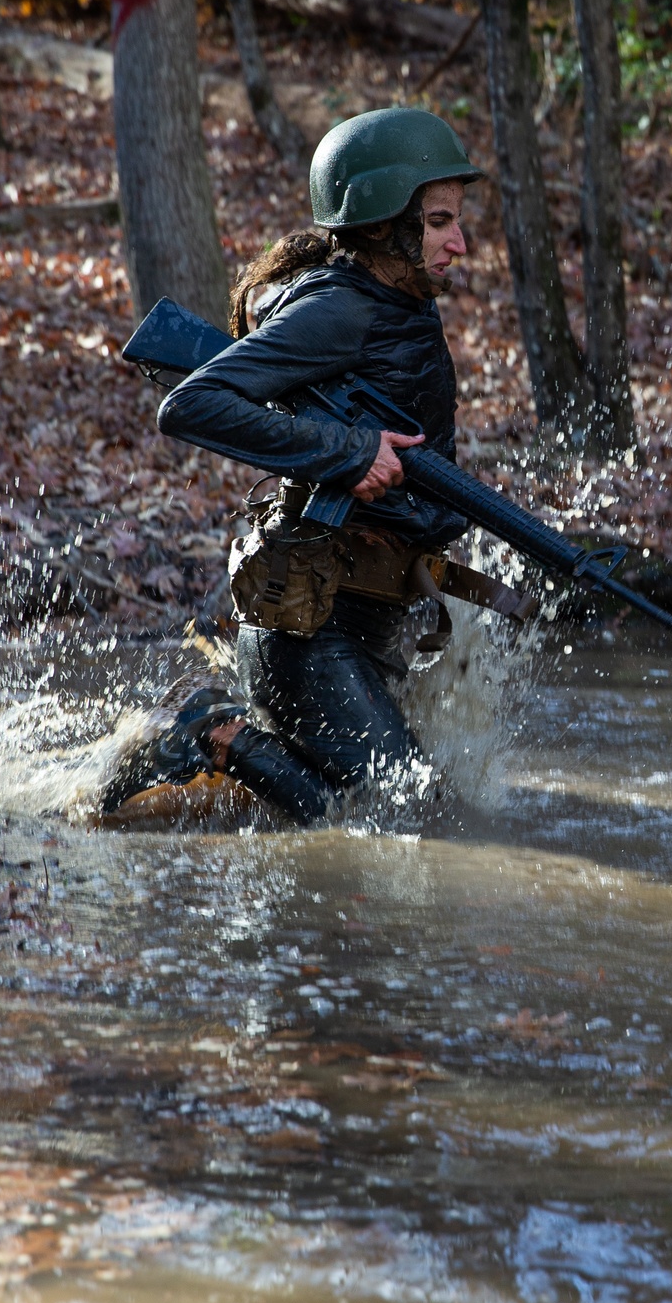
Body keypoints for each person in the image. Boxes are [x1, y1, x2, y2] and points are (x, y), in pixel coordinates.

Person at [101, 106, 483, 824]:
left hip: (361, 624)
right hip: (311, 635)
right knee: (396, 822)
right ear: (381, 224)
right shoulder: (341, 311)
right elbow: (192, 403)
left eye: (457, 221)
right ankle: (214, 736)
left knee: (372, 810)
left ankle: (225, 760)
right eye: (438, 222)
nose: (459, 243)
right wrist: (347, 452)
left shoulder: (402, 304)